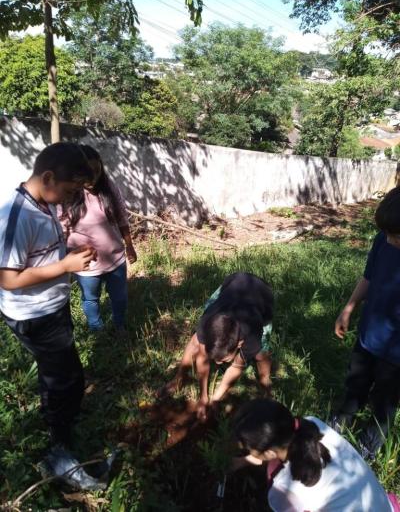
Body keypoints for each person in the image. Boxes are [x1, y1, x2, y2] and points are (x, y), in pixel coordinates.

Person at [0, 142, 95, 450]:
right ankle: (60, 442)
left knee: (60, 371)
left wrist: (67, 254)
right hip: (35, 315)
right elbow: (8, 279)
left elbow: (38, 257)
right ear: (49, 177)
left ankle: (62, 418)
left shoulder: (45, 204)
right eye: (70, 190)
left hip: (51, 306)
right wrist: (65, 265)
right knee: (63, 379)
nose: (71, 198)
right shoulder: (16, 217)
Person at [233, 398, 397, 511]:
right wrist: (242, 461)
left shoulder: (286, 487)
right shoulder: (311, 426)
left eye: (247, 447)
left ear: (269, 453)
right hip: (379, 504)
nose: (245, 449)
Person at [333, 187, 400, 459]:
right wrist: (349, 307)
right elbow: (369, 278)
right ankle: (342, 418)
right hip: (369, 335)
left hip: (396, 355)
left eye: (395, 236)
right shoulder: (383, 240)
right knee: (355, 381)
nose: (389, 239)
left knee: (385, 400)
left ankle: (370, 443)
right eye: (386, 233)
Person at [159, 272, 274, 420]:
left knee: (260, 354)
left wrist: (216, 399)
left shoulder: (251, 334)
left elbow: (237, 367)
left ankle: (266, 383)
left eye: (223, 359)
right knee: (195, 342)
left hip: (261, 297)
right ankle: (179, 380)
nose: (218, 363)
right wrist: (203, 398)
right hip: (233, 284)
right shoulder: (207, 322)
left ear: (239, 343)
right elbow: (202, 358)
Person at [59, 145, 137, 334]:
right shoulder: (68, 196)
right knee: (91, 299)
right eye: (87, 171)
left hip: (115, 259)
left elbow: (122, 219)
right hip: (87, 266)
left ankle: (119, 326)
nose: (92, 176)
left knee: (119, 298)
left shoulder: (110, 188)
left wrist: (129, 246)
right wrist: (64, 262)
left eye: (96, 170)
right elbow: (62, 232)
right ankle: (96, 329)